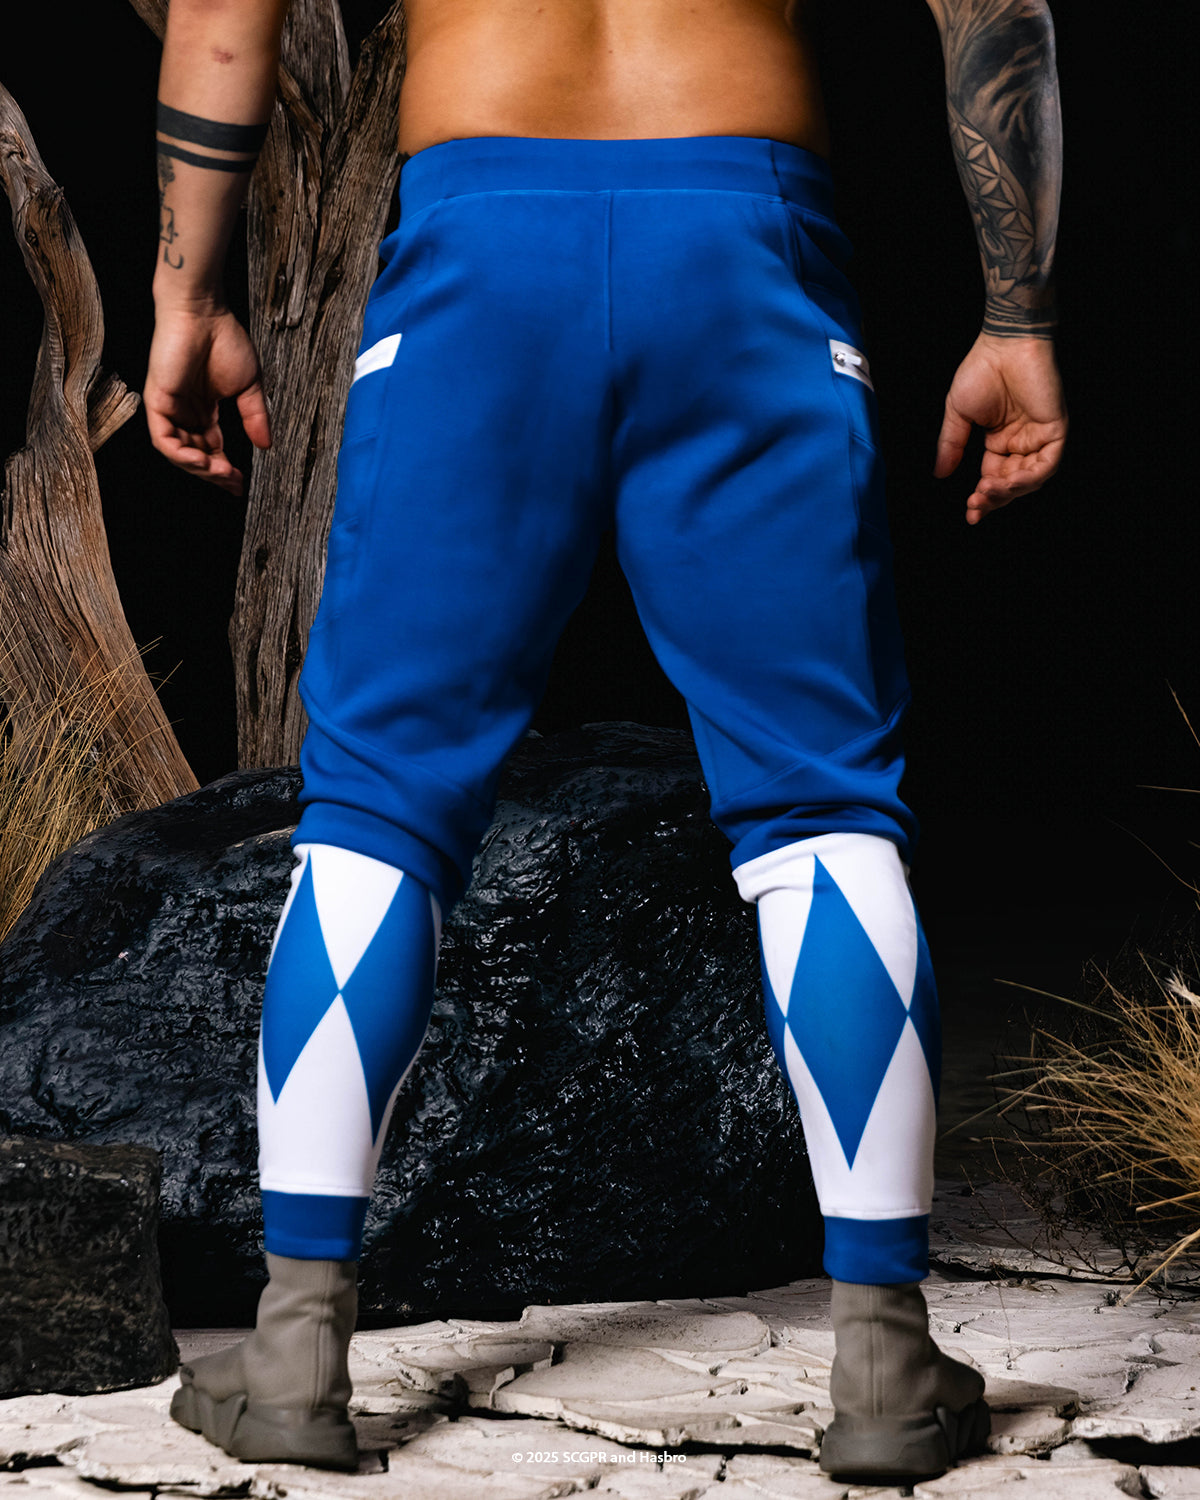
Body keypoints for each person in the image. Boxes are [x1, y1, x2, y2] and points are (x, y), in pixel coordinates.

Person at [145, 0, 1065, 1482]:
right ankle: (886, 1362)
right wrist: (1018, 319)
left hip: (482, 239)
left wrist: (186, 294)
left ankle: (298, 1347)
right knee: (823, 807)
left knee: (377, 808)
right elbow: (997, 11)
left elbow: (218, 15)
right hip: (743, 236)